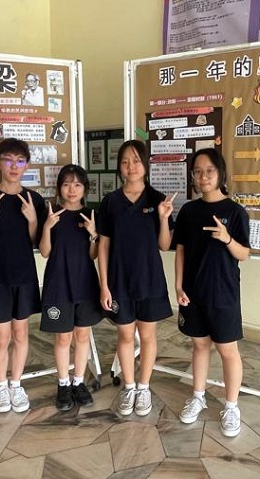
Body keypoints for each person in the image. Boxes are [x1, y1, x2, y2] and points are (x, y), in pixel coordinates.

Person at [174, 149, 250, 437]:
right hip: (192, 292)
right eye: (197, 171)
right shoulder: (188, 211)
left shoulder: (235, 212)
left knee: (228, 350)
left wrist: (227, 238)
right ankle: (198, 396)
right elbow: (180, 251)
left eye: (209, 171)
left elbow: (244, 254)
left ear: (220, 174)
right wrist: (178, 286)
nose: (203, 176)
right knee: (200, 346)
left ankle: (231, 407)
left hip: (223, 292)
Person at [97, 139, 175, 417]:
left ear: (146, 164)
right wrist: (104, 285)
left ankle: (143, 388)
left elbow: (164, 245)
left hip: (149, 279)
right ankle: (129, 386)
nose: (131, 167)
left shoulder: (157, 200)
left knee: (148, 335)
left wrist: (163, 218)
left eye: (136, 161)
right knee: (125, 334)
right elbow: (103, 246)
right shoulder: (110, 202)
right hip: (119, 280)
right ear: (119, 166)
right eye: (125, 161)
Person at [0, 138, 47, 414]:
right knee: (1, 337)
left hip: (24, 276)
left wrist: (33, 219)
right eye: (8, 160)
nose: (14, 166)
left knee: (21, 333)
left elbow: (37, 242)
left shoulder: (34, 199)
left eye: (20, 161)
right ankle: (1, 386)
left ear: (26, 165)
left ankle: (16, 384)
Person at [39, 164, 102, 411]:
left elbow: (93, 255)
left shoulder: (90, 215)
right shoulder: (51, 213)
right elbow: (45, 252)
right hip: (58, 284)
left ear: (85, 188)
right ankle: (63, 383)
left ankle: (79, 381)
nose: (72, 189)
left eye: (77, 184)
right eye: (66, 184)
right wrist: (47, 227)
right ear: (59, 188)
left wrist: (93, 234)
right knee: (63, 336)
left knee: (83, 335)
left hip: (85, 283)